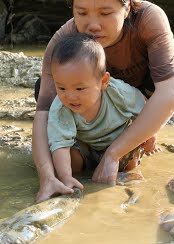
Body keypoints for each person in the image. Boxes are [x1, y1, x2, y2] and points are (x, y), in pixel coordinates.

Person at [33, 0, 174, 203]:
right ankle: (88, 137)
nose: (92, 25)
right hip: (95, 89)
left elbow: (170, 94)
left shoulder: (149, 19)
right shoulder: (64, 38)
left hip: (149, 88)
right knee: (60, 84)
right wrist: (47, 177)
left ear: (127, 7)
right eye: (82, 12)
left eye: (106, 13)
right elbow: (43, 112)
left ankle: (135, 134)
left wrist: (113, 154)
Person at [47, 33, 147, 190]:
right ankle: (79, 176)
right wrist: (65, 176)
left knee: (132, 158)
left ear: (104, 82)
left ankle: (124, 174)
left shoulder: (118, 93)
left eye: (80, 88)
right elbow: (60, 145)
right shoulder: (61, 107)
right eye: (61, 88)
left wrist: (151, 136)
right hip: (86, 146)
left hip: (119, 143)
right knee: (70, 158)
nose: (70, 96)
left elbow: (146, 109)